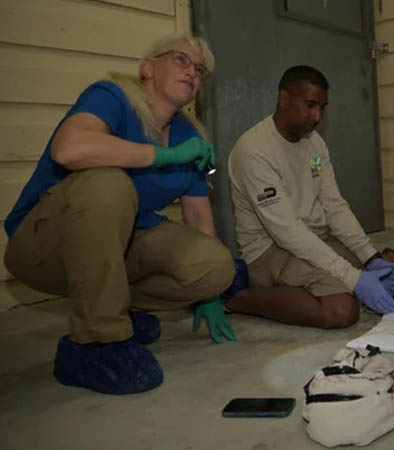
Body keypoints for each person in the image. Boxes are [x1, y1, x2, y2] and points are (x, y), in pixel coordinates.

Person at [3, 34, 239, 395]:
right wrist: (163, 157)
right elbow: (69, 149)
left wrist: (210, 294)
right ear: (148, 68)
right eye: (180, 60)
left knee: (216, 264)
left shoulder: (189, 134)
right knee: (108, 184)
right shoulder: (111, 96)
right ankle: (95, 343)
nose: (192, 72)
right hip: (43, 245)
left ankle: (116, 310)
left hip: (120, 245)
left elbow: (198, 218)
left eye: (200, 69)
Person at [226, 65, 394, 329]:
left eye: (322, 108)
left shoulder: (314, 143)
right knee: (341, 310)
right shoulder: (253, 151)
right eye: (311, 105)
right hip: (270, 250)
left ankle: (328, 287)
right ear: (284, 99)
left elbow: (333, 204)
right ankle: (239, 299)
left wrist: (370, 258)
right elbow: (286, 231)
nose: (317, 117)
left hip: (315, 238)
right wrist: (352, 278)